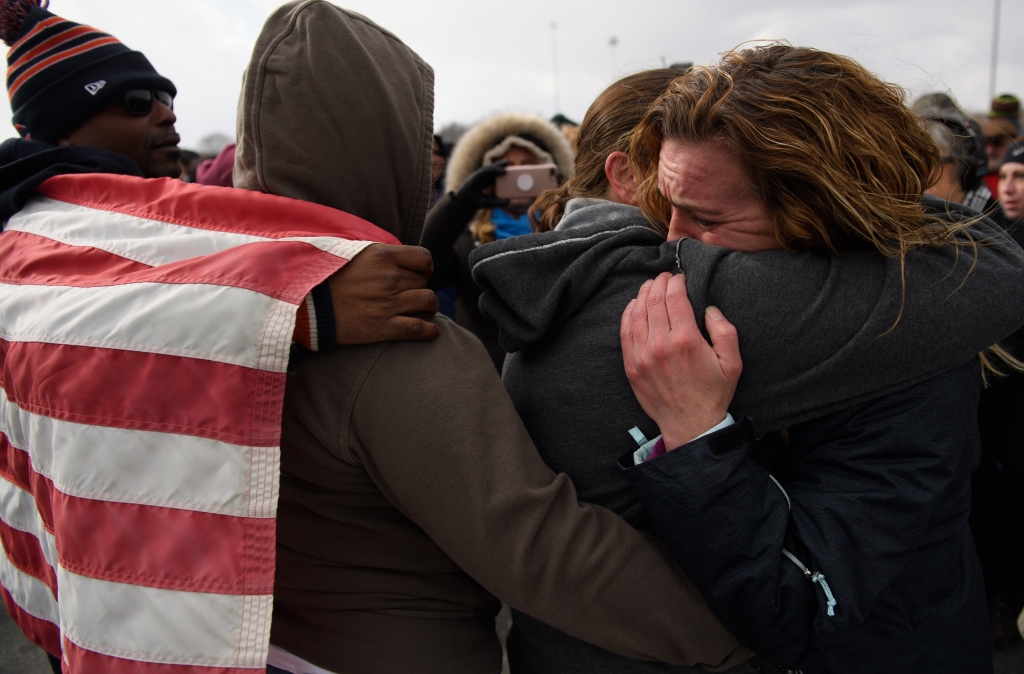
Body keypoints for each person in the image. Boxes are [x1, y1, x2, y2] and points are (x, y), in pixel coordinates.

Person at [472, 45, 1024, 674]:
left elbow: (811, 608)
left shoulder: (909, 348)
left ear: (818, 213)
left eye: (706, 217)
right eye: (664, 204)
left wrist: (698, 442)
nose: (671, 242)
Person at [234, 3, 749, 674]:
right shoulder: (393, 343)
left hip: (248, 642)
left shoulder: (205, 309)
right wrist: (745, 638)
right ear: (386, 146)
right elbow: (544, 547)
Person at [420, 111, 574, 369]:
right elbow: (423, 264)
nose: (518, 174)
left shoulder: (568, 229)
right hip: (487, 375)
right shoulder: (464, 239)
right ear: (485, 175)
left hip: (562, 370)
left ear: (548, 169)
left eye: (527, 164)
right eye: (504, 167)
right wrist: (459, 204)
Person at [971, 139, 1024, 648]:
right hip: (990, 413)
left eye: (1021, 177)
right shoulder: (988, 232)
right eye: (1004, 175)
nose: (1008, 187)